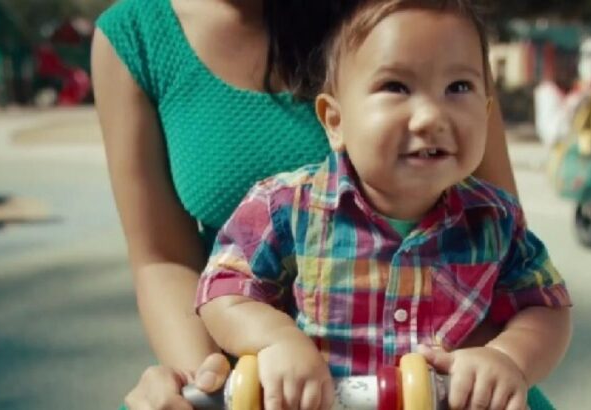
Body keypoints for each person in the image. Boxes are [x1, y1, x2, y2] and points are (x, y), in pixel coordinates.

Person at [91, 0, 547, 408]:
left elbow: (529, 292)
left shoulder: (423, 16)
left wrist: (500, 360)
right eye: (395, 87)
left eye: (458, 88)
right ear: (333, 119)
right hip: (264, 377)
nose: (429, 115)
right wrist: (218, 382)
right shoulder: (137, 35)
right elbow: (167, 262)